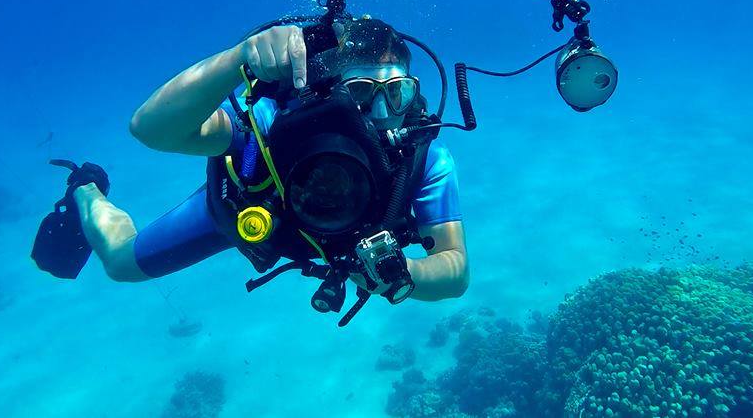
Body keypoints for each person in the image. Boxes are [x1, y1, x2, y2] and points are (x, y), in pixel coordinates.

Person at [41, 17, 468, 303]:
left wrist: (404, 274)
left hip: (345, 250)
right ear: (331, 89)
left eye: (398, 93)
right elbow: (150, 129)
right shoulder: (274, 124)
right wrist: (237, 59)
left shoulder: (423, 157)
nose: (382, 113)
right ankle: (86, 189)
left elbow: (455, 268)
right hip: (247, 212)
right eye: (360, 93)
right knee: (120, 264)